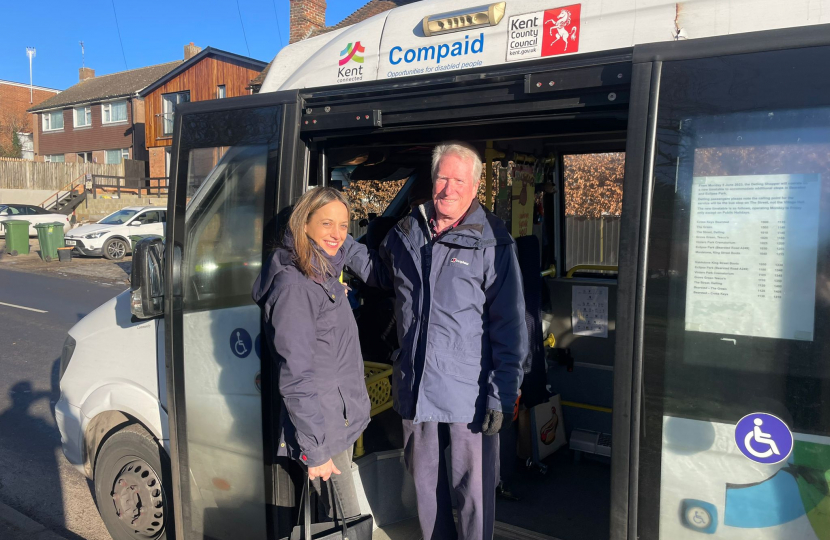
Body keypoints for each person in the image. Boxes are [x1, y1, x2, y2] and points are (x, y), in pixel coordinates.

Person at [346, 142, 528, 539]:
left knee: (473, 497)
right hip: (415, 387)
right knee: (427, 492)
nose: (448, 188)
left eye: (458, 180)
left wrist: (502, 392)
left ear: (475, 185)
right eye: (442, 178)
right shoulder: (407, 231)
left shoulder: (493, 241)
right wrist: (341, 245)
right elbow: (382, 274)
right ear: (432, 180)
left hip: (470, 395)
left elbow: (510, 323)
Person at [252, 186, 370, 519]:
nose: (337, 235)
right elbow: (296, 376)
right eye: (327, 224)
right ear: (304, 224)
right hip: (323, 430)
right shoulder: (297, 286)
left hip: (334, 420)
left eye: (344, 226)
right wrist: (316, 452)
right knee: (348, 524)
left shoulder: (322, 273)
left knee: (336, 520)